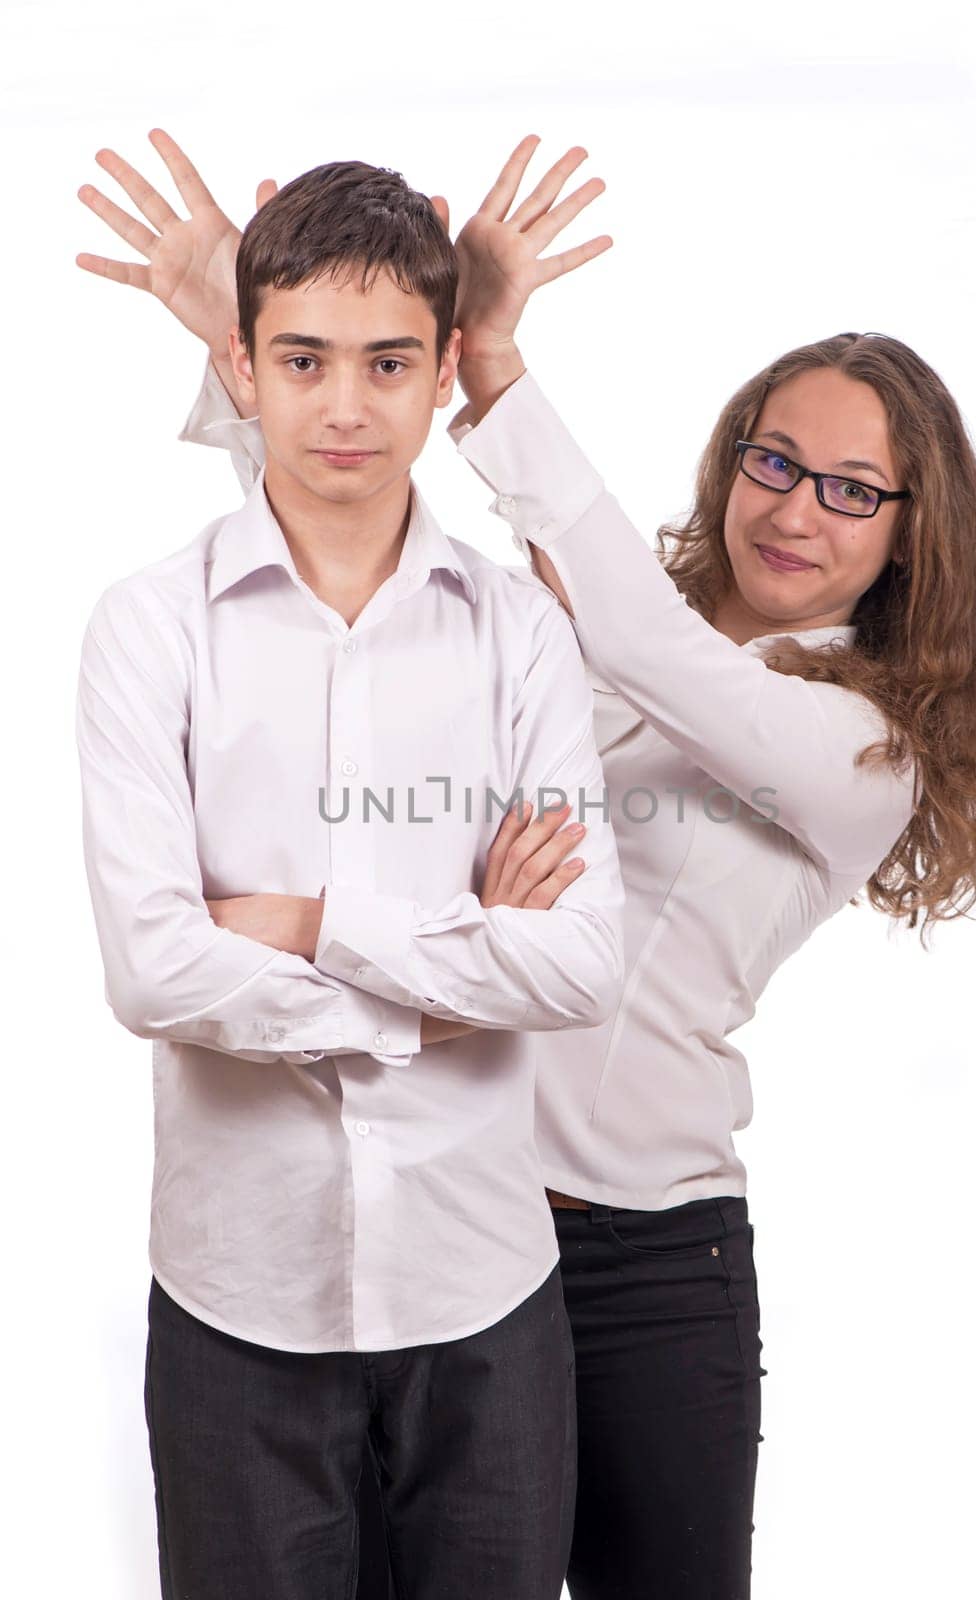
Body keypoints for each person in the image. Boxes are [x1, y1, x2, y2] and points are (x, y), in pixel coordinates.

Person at [77, 131, 976, 1600]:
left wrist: (490, 359)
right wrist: (265, 324)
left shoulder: (857, 743)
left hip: (642, 1258)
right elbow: (351, 557)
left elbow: (626, 667)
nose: (793, 507)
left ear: (919, 536)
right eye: (772, 459)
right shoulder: (566, 626)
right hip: (444, 1214)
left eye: (853, 490)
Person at [74, 153, 627, 1600]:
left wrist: (303, 925)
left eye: (387, 364)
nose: (342, 406)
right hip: (236, 1296)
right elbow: (152, 968)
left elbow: (577, 964)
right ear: (239, 369)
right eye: (301, 359)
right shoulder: (149, 631)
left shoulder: (517, 634)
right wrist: (447, 984)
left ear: (445, 372)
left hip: (483, 1292)